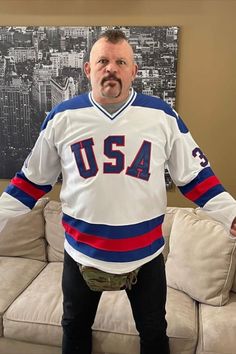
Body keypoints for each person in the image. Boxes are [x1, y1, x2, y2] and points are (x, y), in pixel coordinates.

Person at [0, 29, 236, 354]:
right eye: (103, 61)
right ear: (88, 69)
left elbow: (195, 176)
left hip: (146, 256)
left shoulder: (162, 116)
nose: (111, 68)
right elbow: (31, 181)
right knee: (74, 328)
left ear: (133, 71)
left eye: (120, 61)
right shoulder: (63, 117)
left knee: (154, 332)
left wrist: (230, 214)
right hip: (81, 254)